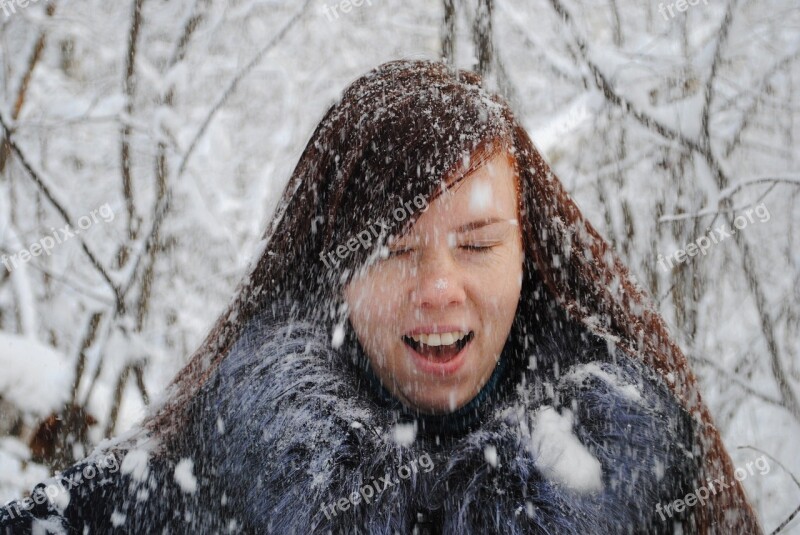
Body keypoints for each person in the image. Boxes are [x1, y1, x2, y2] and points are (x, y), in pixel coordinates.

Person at [0, 60, 762, 534]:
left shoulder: (659, 488)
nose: (437, 287)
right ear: (333, 271)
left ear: (530, 257)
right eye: (393, 249)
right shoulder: (199, 482)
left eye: (477, 243)